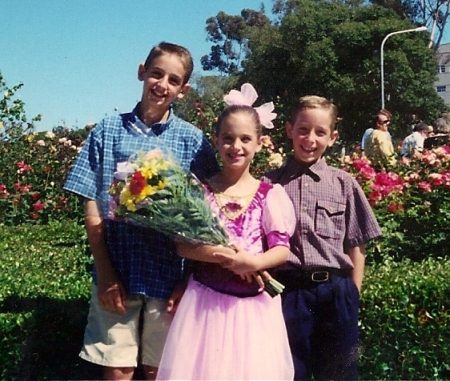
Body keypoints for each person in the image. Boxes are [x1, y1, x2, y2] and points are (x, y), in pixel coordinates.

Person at [63, 42, 219, 381]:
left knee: (160, 368)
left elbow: (207, 214)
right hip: (119, 268)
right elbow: (92, 202)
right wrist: (105, 273)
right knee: (117, 368)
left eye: (173, 80)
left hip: (169, 274)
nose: (162, 84)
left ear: (184, 90)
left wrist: (188, 280)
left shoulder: (192, 140)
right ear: (141, 72)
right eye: (156, 74)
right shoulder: (108, 130)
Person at [156, 84, 296, 381]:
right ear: (216, 142)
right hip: (204, 305)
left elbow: (282, 249)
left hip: (253, 311)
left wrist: (255, 263)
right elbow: (183, 245)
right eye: (228, 138)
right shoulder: (201, 191)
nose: (237, 146)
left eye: (246, 139)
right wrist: (226, 256)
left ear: (260, 143)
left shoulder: (269, 194)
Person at [262, 95, 382, 380]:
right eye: (303, 130)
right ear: (289, 130)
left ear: (333, 137)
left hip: (335, 292)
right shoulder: (269, 184)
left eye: (320, 132)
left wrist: (353, 292)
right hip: (289, 293)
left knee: (339, 373)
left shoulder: (344, 184)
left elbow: (357, 243)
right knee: (290, 371)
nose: (310, 139)